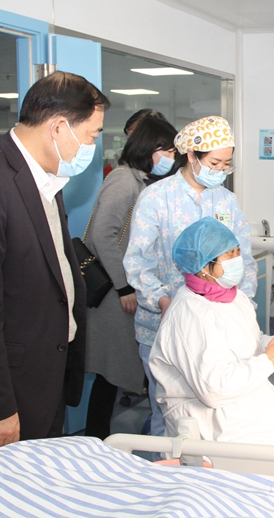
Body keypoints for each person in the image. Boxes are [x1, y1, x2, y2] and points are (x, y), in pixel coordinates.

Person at [0, 71, 109, 461]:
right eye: (92, 135)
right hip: (2, 398)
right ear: (58, 127)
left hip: (41, 379)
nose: (93, 145)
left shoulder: (44, 177)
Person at [149, 216, 274, 488]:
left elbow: (246, 339)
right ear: (203, 267)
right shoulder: (189, 314)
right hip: (212, 423)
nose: (237, 259)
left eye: (237, 251)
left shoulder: (232, 296)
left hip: (247, 406)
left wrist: (273, 342)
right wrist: (268, 361)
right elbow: (213, 390)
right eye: (229, 255)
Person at [123, 115, 257, 443]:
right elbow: (138, 262)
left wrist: (244, 307)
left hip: (217, 327)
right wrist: (163, 302)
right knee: (169, 413)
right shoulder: (157, 198)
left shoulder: (225, 201)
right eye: (214, 163)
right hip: (164, 325)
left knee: (216, 412)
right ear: (192, 156)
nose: (221, 170)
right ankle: (164, 471)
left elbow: (244, 259)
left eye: (226, 164)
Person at [83, 115, 180, 439]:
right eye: (167, 151)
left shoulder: (142, 181)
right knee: (110, 372)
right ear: (149, 147)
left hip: (126, 289)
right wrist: (124, 286)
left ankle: (106, 436)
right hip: (115, 293)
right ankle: (95, 438)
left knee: (117, 371)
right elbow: (102, 236)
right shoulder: (124, 180)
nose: (171, 158)